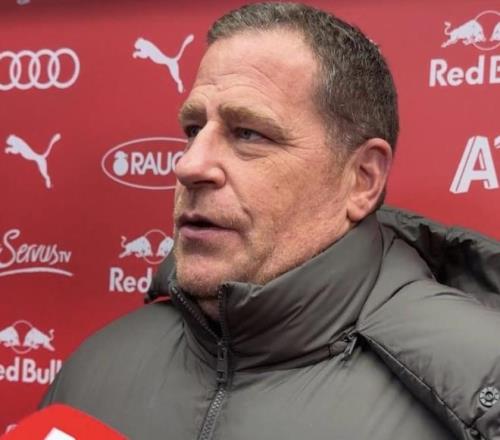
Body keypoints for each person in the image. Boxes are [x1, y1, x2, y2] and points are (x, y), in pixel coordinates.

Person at [41, 3, 500, 439]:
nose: (189, 165)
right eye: (193, 130)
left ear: (362, 179)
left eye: (248, 133)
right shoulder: (93, 371)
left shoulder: (479, 388)